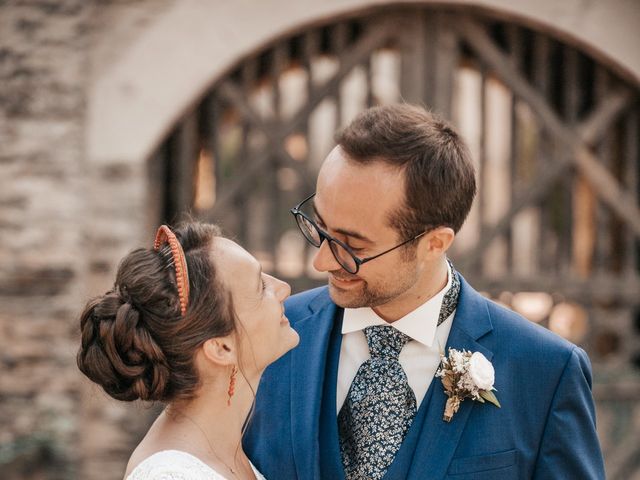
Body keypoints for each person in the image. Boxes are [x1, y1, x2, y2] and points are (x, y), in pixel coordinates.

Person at [244, 104, 605, 479]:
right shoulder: (266, 335)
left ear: (434, 243)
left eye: (353, 246)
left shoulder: (546, 371)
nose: (321, 262)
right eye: (319, 228)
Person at [77, 222, 299, 480]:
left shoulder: (225, 450)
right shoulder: (171, 476)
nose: (284, 288)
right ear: (221, 347)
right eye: (261, 287)